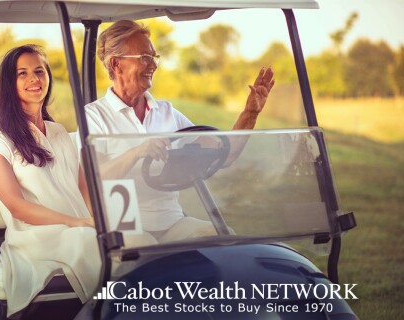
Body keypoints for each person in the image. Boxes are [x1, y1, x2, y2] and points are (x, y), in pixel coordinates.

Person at [83, 20, 275, 243]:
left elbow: (226, 154)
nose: (153, 65)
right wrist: (138, 151)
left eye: (154, 57)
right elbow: (93, 179)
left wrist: (250, 113)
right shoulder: (94, 116)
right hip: (125, 226)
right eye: (145, 57)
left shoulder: (166, 112)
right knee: (145, 249)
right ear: (116, 65)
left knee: (224, 237)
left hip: (172, 222)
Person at [0, 44, 99, 317]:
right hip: (35, 237)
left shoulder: (60, 133)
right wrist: (77, 223)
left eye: (39, 71)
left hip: (78, 228)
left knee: (127, 241)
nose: (33, 79)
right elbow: (17, 207)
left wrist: (96, 221)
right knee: (89, 244)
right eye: (22, 73)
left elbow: (83, 188)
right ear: (10, 84)